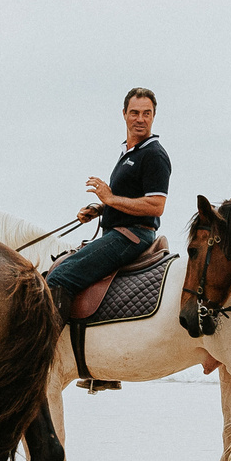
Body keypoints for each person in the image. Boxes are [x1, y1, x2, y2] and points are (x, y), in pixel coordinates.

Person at [45, 87, 172, 318]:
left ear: (154, 116)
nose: (140, 119)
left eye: (147, 113)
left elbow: (156, 205)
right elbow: (132, 196)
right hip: (118, 232)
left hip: (131, 236)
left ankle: (46, 347)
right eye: (135, 112)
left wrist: (110, 198)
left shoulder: (154, 155)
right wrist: (100, 208)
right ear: (124, 113)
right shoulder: (129, 153)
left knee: (59, 278)